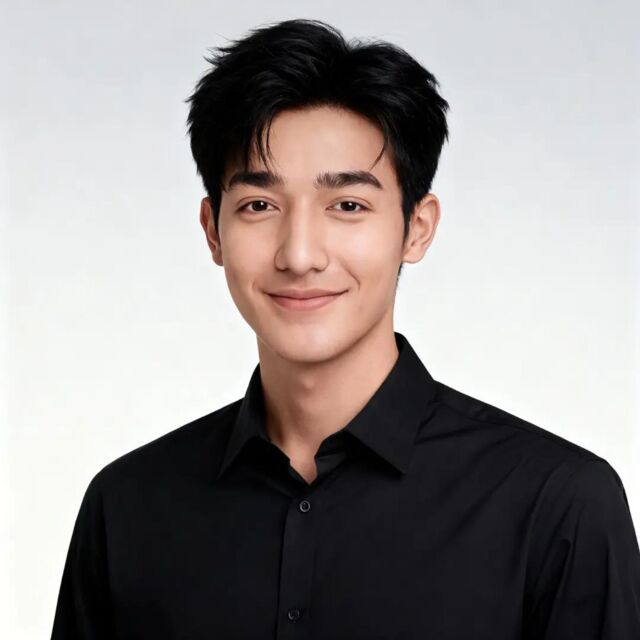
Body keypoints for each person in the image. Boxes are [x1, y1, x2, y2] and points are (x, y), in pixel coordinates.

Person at [51, 18, 640, 639]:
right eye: (259, 205)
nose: (300, 254)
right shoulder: (126, 507)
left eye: (348, 206)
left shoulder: (557, 505)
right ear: (212, 231)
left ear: (417, 229)